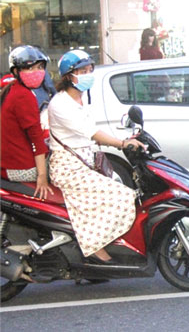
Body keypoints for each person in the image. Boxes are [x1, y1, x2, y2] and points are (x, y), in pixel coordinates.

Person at [48, 50, 145, 264]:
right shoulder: (61, 104)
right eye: (82, 71)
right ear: (68, 76)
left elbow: (91, 132)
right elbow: (90, 132)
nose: (87, 74)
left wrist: (127, 137)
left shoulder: (81, 100)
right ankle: (93, 248)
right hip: (69, 169)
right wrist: (122, 143)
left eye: (89, 70)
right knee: (123, 196)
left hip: (83, 163)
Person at [1, 46, 53, 200]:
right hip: (20, 167)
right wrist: (42, 177)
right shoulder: (24, 96)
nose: (36, 72)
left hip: (9, 163)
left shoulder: (13, 90)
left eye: (39, 67)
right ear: (17, 72)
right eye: (29, 68)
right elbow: (36, 139)